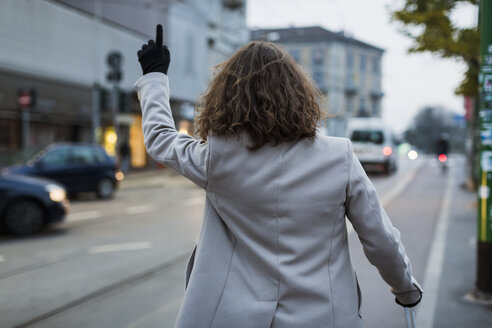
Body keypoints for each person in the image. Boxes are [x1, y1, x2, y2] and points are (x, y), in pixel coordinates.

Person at [135, 25, 422, 328]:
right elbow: (381, 238)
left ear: (226, 97)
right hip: (324, 317)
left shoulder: (215, 159)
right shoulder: (339, 158)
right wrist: (405, 289)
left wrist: (155, 76)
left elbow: (160, 138)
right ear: (298, 95)